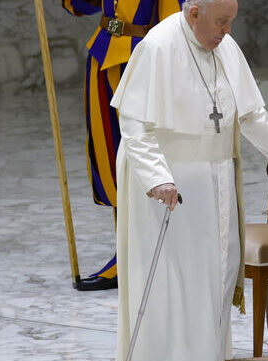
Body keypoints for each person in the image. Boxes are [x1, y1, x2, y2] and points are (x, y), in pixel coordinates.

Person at [109, 0, 268, 361]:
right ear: (194, 14)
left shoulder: (225, 46)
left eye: (231, 22)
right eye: (221, 22)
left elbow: (251, 114)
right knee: (173, 289)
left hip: (217, 185)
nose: (227, 30)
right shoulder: (158, 47)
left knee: (214, 282)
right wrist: (158, 176)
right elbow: (135, 125)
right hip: (169, 191)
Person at [61, 0, 186, 291]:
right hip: (103, 55)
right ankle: (127, 252)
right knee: (109, 156)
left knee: (144, 156)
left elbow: (176, 23)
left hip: (143, 61)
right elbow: (83, 4)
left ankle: (156, 252)